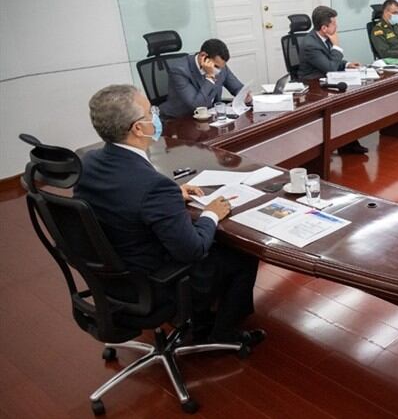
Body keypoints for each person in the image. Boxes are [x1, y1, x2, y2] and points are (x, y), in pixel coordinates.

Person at [75, 85, 265, 346]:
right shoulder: (153, 186)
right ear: (138, 129)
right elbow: (193, 250)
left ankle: (203, 317)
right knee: (242, 255)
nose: (156, 115)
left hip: (110, 274)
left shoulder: (87, 163)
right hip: (153, 282)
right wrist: (210, 214)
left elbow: (124, 196)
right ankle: (222, 332)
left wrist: (172, 194)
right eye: (149, 111)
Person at [298, 5, 367, 154]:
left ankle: (347, 142)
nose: (337, 26)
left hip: (325, 80)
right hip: (312, 85)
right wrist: (336, 46)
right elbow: (330, 67)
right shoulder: (310, 44)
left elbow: (330, 60)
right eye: (334, 23)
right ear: (324, 28)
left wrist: (347, 64)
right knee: (341, 102)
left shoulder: (323, 38)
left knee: (349, 98)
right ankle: (342, 143)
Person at [161, 39, 248, 119]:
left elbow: (237, 88)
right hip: (181, 120)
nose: (219, 70)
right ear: (203, 56)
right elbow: (198, 106)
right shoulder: (179, 71)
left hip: (210, 116)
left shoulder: (220, 66)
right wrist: (210, 77)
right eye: (216, 66)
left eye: (221, 67)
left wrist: (245, 96)